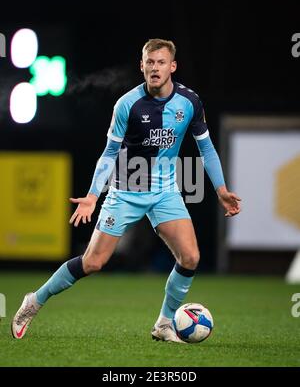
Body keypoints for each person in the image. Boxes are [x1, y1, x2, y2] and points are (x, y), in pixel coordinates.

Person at [11, 38, 241, 343]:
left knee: (190, 257)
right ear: (142, 66)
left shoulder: (189, 102)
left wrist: (221, 189)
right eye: (150, 62)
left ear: (173, 66)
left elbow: (206, 148)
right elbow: (109, 153)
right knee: (93, 263)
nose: (155, 68)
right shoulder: (127, 104)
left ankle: (163, 323)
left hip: (165, 193)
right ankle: (35, 300)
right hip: (125, 192)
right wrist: (93, 195)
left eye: (161, 62)